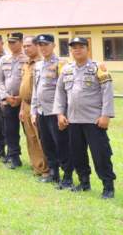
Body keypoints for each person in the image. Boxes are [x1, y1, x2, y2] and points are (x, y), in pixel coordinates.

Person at [54, 37, 116, 199]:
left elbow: (107, 92)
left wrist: (105, 115)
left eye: (81, 47)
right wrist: (60, 114)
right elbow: (60, 93)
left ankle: (108, 186)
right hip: (73, 121)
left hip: (94, 120)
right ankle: (84, 182)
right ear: (71, 51)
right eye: (74, 47)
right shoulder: (66, 70)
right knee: (77, 154)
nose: (77, 50)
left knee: (100, 155)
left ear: (87, 49)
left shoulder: (98, 68)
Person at [32, 34, 73, 189]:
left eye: (46, 44)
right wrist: (33, 111)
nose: (43, 48)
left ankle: (67, 177)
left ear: (53, 45)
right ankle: (53, 173)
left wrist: (62, 112)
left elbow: (64, 90)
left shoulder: (62, 64)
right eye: (40, 45)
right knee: (47, 144)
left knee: (62, 144)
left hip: (56, 112)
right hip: (42, 111)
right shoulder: (38, 65)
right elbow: (36, 89)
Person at [19, 35, 49, 178]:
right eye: (24, 46)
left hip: (37, 107)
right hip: (25, 106)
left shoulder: (42, 63)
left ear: (37, 46)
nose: (26, 48)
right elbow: (23, 87)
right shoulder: (26, 64)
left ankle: (47, 169)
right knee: (30, 138)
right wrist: (21, 108)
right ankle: (37, 167)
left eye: (29, 45)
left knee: (41, 138)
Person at [0, 32, 26, 169]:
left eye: (14, 42)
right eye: (9, 42)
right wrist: (5, 96)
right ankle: (14, 157)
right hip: (8, 100)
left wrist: (21, 98)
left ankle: (38, 160)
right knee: (10, 130)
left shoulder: (27, 58)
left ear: (21, 42)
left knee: (30, 132)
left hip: (24, 101)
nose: (11, 45)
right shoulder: (4, 59)